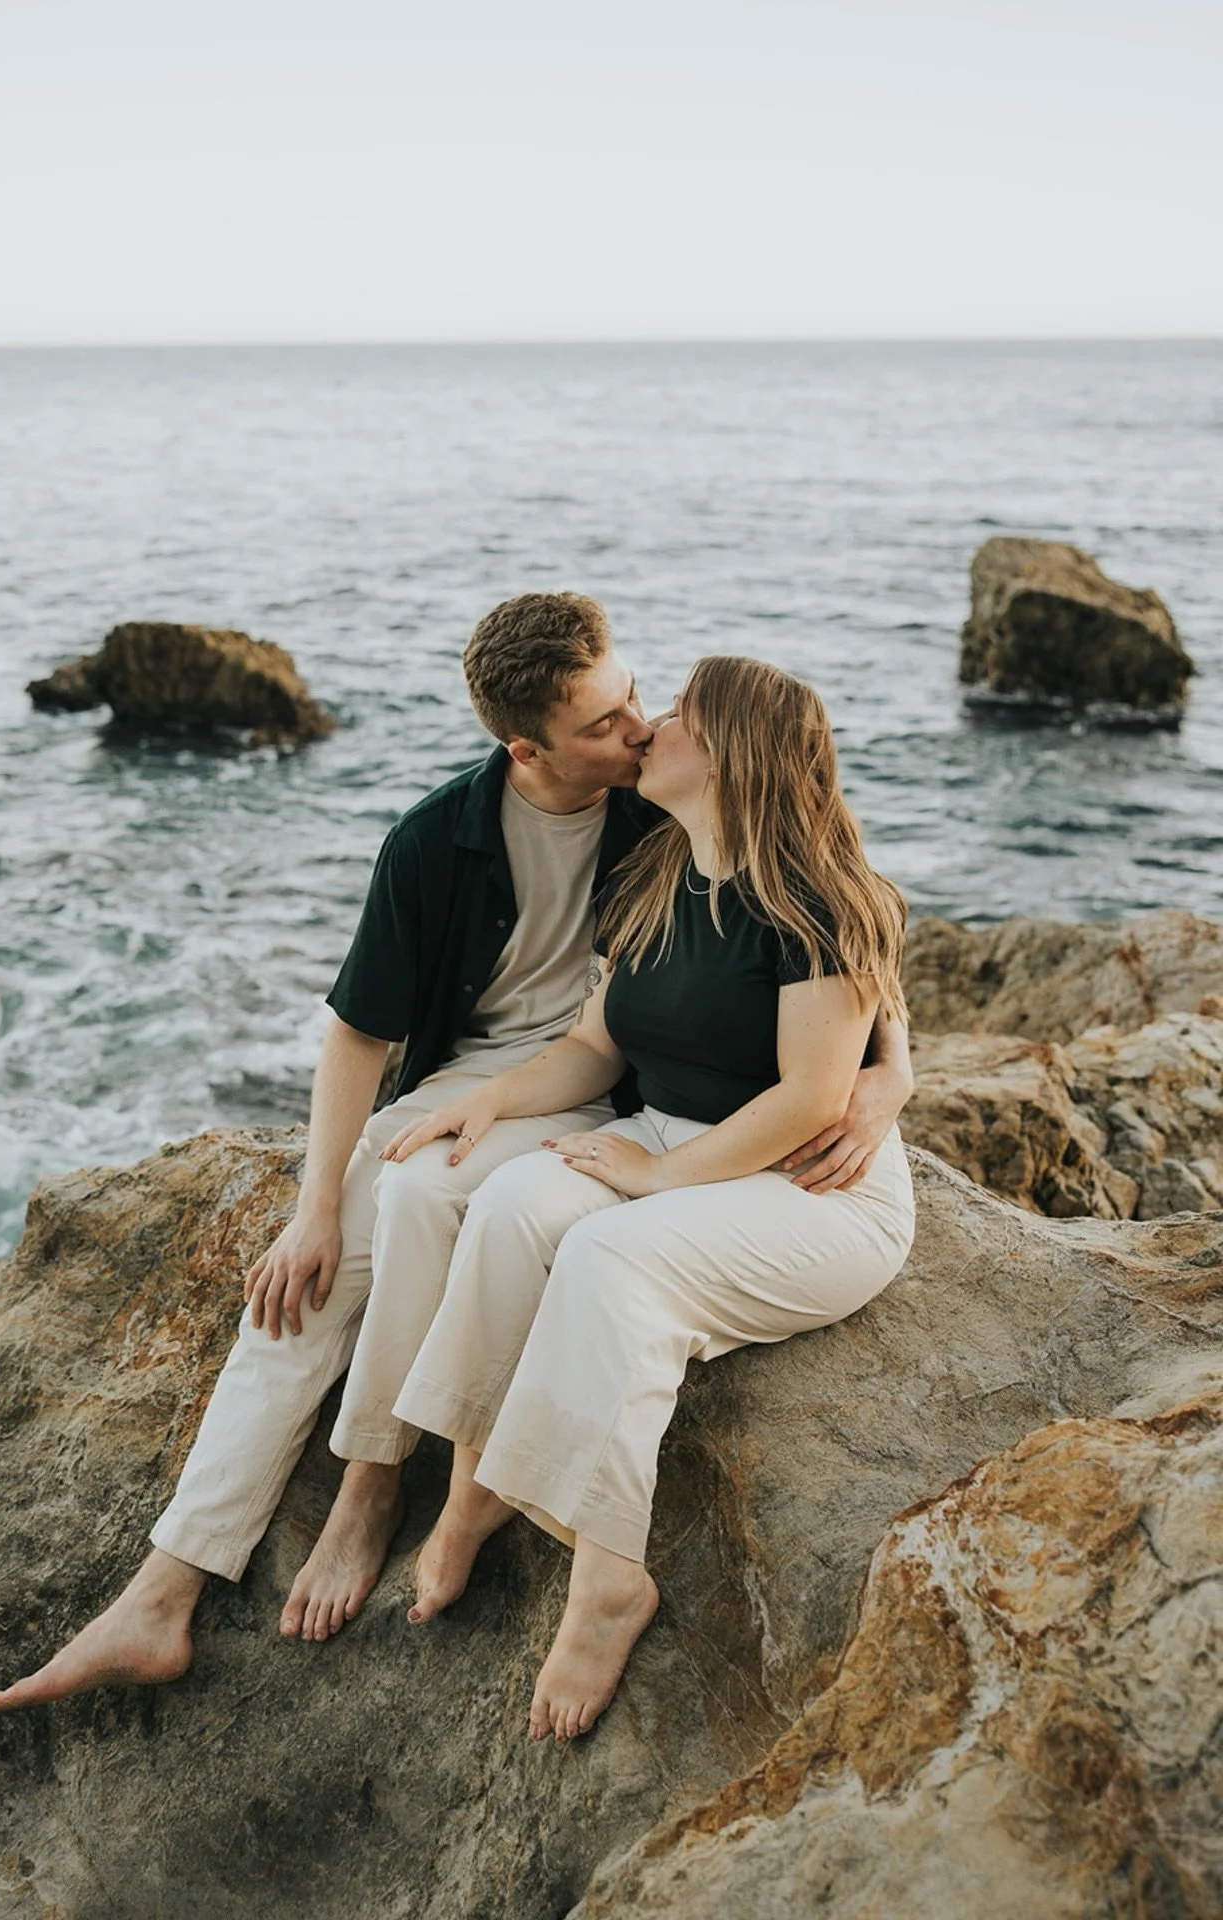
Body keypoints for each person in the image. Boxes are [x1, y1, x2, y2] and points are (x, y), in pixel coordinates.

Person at [0, 608, 912, 1711]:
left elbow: (844, 956)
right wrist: (316, 1200)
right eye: (610, 719)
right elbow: (369, 1035)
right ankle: (179, 1580)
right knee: (339, 1260)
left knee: (490, 1220)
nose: (637, 727)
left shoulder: (668, 820)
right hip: (517, 1082)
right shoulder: (462, 841)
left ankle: (409, 1489)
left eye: (644, 702)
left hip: (666, 1125)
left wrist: (888, 1079)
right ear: (531, 749)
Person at [379, 655, 916, 1744]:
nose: (649, 726)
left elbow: (815, 1096)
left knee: (607, 1258)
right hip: (671, 1138)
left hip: (813, 1189)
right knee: (512, 1208)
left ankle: (608, 1578)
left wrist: (658, 1180)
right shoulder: (664, 867)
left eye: (676, 714)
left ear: (728, 755)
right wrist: (486, 1107)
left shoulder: (818, 895)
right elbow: (592, 1045)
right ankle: (473, 1486)